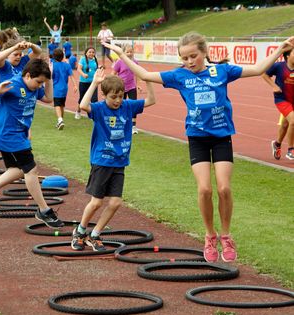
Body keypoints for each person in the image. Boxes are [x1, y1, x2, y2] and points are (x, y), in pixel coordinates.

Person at [103, 33, 294, 263]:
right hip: (197, 138)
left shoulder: (221, 71)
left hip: (222, 136)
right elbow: (144, 75)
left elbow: (257, 69)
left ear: (204, 52)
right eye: (184, 58)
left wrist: (280, 48)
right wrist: (122, 54)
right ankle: (209, 235)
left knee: (224, 188)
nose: (189, 61)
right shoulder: (179, 75)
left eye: (193, 56)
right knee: (205, 189)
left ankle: (226, 235)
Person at [71, 68, 155, 251]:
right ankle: (80, 231)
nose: (117, 100)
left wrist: (147, 79)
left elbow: (151, 100)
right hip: (102, 160)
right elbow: (84, 105)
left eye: (120, 96)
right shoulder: (100, 108)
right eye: (113, 97)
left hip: (120, 161)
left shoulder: (128, 105)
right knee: (96, 202)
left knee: (116, 202)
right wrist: (94, 82)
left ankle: (95, 235)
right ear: (104, 96)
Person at [0, 58, 64, 228]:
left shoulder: (34, 88)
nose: (39, 86)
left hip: (16, 135)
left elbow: (49, 98)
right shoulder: (14, 84)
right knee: (31, 170)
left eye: (42, 83)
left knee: (17, 170)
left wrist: (49, 78)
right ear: (28, 75)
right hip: (8, 135)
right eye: (38, 82)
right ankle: (44, 210)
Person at [262, 48, 294, 160]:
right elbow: (264, 74)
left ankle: (277, 144)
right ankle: (291, 150)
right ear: (288, 56)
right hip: (282, 100)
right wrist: (274, 86)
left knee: (286, 125)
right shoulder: (279, 66)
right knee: (293, 121)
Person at [112, 43, 143, 134]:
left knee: (134, 104)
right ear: (123, 52)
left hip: (131, 87)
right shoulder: (119, 62)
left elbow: (137, 74)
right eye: (127, 52)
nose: (129, 53)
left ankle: (133, 126)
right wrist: (114, 85)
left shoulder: (135, 62)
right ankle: (119, 124)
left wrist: (138, 85)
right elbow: (113, 74)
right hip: (121, 88)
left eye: (131, 51)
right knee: (120, 105)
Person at [52, 48, 77, 130]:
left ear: (54, 57)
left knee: (57, 105)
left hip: (57, 88)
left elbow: (50, 76)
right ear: (62, 56)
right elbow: (72, 76)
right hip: (64, 88)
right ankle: (60, 121)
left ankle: (60, 120)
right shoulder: (67, 65)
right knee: (62, 105)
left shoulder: (53, 65)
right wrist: (75, 85)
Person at [76, 47, 99, 119]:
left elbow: (96, 69)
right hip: (83, 82)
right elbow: (78, 69)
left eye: (93, 52)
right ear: (86, 53)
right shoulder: (82, 59)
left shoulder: (95, 60)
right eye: (90, 52)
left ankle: (93, 115)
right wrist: (83, 74)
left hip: (93, 83)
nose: (91, 53)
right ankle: (78, 111)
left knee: (94, 99)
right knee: (82, 98)